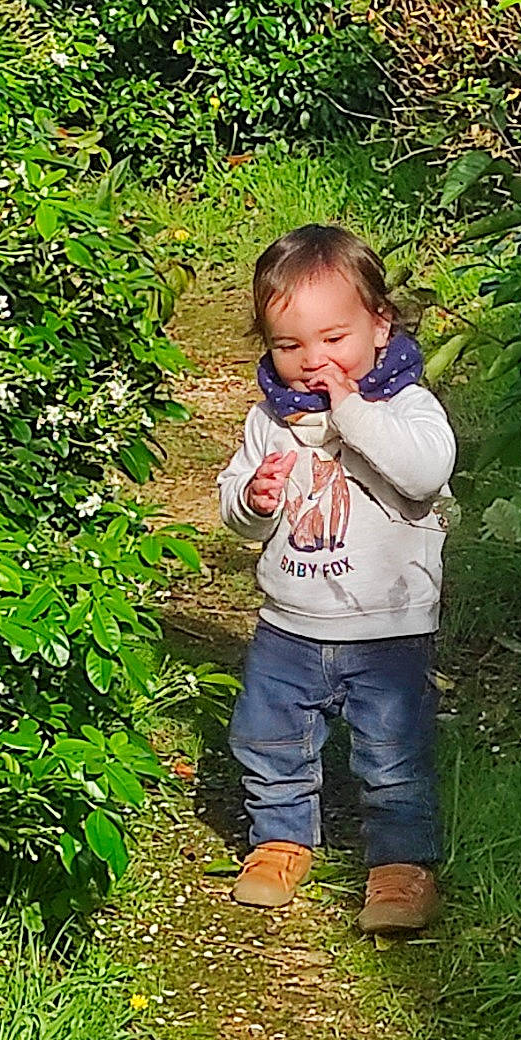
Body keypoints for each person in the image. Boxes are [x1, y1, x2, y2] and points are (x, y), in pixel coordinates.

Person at [214, 224, 454, 932]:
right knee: (268, 736)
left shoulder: (405, 407)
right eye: (289, 347)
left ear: (380, 325)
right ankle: (280, 840)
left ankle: (401, 868)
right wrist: (252, 500)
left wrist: (350, 407)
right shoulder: (271, 420)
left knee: (393, 751)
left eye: (333, 339)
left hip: (387, 627)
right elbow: (237, 512)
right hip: (289, 622)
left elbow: (422, 471)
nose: (313, 362)